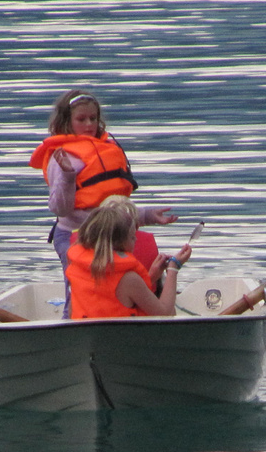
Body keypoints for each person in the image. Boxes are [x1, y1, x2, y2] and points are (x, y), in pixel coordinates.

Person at [29, 88, 178, 315]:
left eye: (93, 118)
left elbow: (114, 208)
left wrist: (146, 216)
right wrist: (68, 177)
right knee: (78, 288)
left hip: (110, 234)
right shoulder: (63, 157)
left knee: (123, 280)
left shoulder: (107, 149)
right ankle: (72, 324)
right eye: (81, 119)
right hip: (74, 233)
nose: (89, 124)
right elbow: (59, 208)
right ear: (66, 122)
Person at [65, 197, 192, 319]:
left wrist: (151, 276)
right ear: (120, 241)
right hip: (125, 339)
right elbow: (165, 314)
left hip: (87, 335)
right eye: (132, 236)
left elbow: (111, 294)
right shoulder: (129, 279)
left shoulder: (77, 268)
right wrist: (173, 268)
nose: (136, 239)